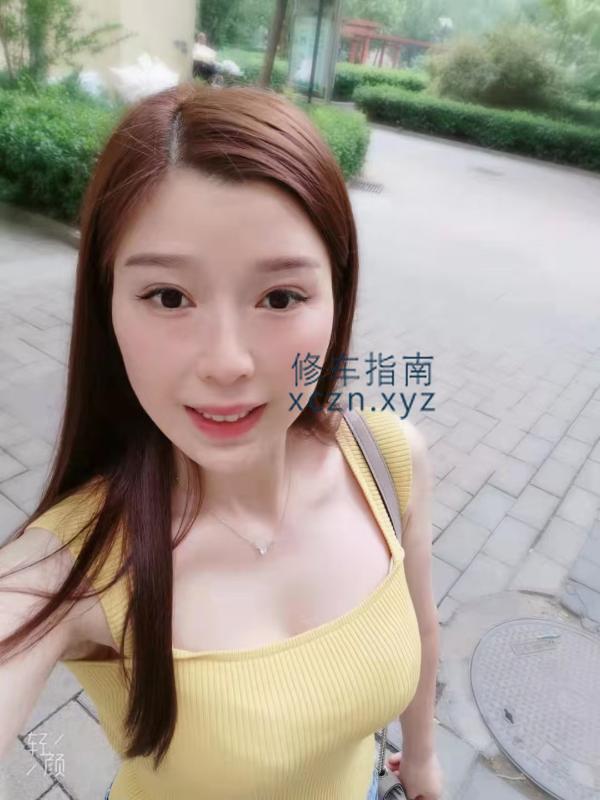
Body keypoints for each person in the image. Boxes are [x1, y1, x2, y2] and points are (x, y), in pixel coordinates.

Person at [0, 83, 443, 800]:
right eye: (169, 297)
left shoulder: (387, 459)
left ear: (337, 296)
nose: (228, 363)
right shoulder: (70, 566)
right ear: (107, 306)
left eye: (280, 297)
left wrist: (421, 764)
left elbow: (421, 629)